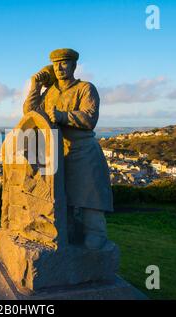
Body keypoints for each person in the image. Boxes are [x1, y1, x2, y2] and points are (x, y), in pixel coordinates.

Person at [23, 48, 113, 250]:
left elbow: (90, 118)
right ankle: (69, 230)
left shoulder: (86, 88)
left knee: (89, 193)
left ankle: (95, 231)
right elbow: (30, 115)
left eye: (64, 63)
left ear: (73, 65)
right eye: (56, 64)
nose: (60, 67)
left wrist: (62, 116)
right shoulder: (50, 91)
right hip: (59, 152)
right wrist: (35, 86)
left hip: (83, 150)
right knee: (62, 196)